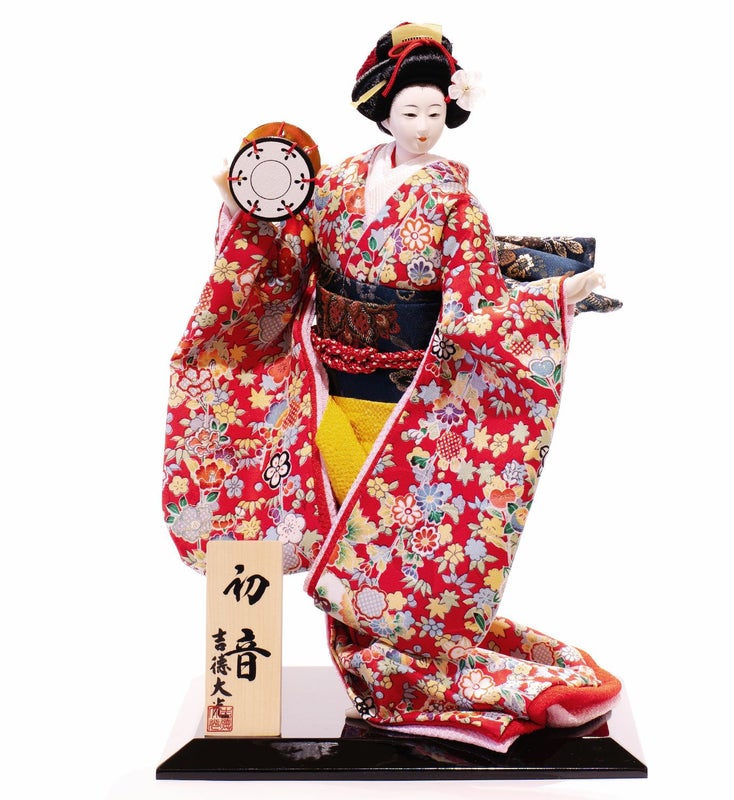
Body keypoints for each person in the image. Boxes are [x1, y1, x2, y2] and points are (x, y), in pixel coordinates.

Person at [164, 22, 621, 751]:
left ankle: (405, 667)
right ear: (383, 111)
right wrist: (247, 208)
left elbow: (473, 307)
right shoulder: (338, 182)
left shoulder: (455, 204)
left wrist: (550, 302)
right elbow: (289, 254)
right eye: (411, 111)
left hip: (404, 404)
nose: (424, 126)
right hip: (325, 388)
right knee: (346, 532)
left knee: (375, 542)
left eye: (436, 112)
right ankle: (392, 658)